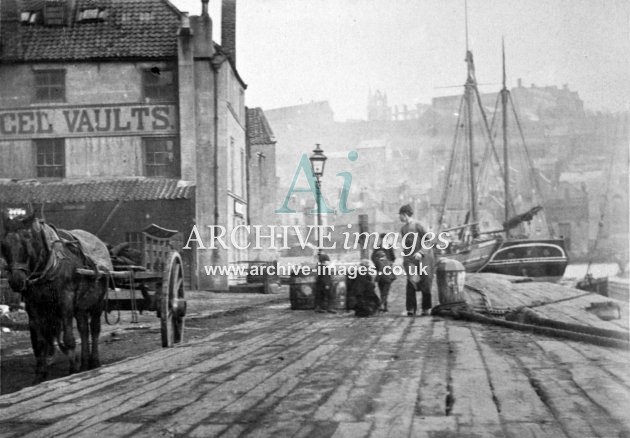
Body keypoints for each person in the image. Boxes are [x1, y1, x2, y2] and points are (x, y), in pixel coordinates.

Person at [399, 204, 434, 316]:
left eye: (400, 215)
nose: (399, 217)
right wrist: (406, 260)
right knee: (411, 282)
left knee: (426, 282)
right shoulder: (403, 229)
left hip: (424, 259)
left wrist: (421, 252)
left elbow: (429, 241)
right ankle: (411, 309)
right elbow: (406, 247)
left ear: (405, 215)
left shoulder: (419, 226)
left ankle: (426, 308)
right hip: (411, 260)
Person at [371, 233, 396, 312]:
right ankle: (384, 305)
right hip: (384, 272)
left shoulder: (387, 247)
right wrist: (380, 263)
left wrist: (385, 263)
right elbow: (372, 257)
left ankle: (383, 305)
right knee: (383, 290)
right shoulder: (378, 247)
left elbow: (393, 258)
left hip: (384, 272)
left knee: (383, 290)